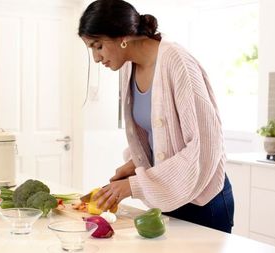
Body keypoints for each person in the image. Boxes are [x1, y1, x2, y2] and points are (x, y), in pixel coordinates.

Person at [78, 0, 234, 233]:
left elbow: (205, 147)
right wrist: (134, 164)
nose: (96, 58)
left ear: (123, 37)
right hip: (168, 197)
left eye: (98, 46)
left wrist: (133, 185)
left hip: (203, 201)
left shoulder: (177, 62)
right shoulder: (128, 68)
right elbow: (158, 139)